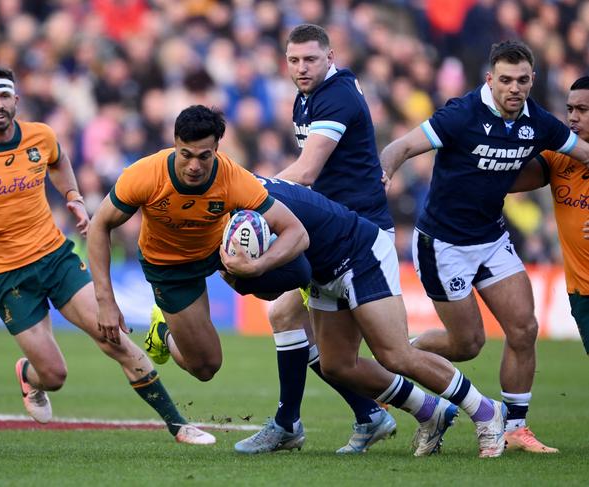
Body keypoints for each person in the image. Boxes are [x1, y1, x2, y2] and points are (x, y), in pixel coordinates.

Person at [0, 65, 214, 445]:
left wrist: (73, 198)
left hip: (56, 258)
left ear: (16, 100)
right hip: (8, 275)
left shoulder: (41, 136)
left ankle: (178, 425)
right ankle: (28, 376)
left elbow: (60, 161)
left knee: (114, 338)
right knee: (54, 376)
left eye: (4, 96)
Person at [380, 41, 589, 454]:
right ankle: (401, 360)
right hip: (443, 244)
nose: (514, 88)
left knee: (524, 328)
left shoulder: (541, 123)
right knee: (467, 344)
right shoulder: (461, 114)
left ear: (533, 81)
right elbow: (399, 147)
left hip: (491, 239)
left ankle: (515, 427)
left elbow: (583, 151)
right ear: (490, 80)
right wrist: (381, 178)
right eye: (506, 80)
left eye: (523, 80)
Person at [226, 175, 507, 458]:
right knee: (337, 365)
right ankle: (430, 411)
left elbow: (293, 274)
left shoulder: (248, 211)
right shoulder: (238, 196)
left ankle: (486, 410)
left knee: (395, 354)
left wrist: (245, 273)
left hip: (358, 254)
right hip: (324, 273)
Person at [228, 22, 399, 455]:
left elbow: (304, 173)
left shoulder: (335, 95)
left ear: (331, 56)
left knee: (394, 353)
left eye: (310, 59)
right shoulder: (308, 98)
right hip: (332, 232)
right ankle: (363, 415)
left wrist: (251, 193)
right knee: (293, 323)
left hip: (357, 236)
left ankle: (454, 407)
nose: (301, 68)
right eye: (293, 60)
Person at [86, 106, 309, 391]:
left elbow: (297, 233)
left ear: (216, 149)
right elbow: (99, 226)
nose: (194, 166)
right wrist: (105, 300)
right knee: (206, 367)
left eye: (204, 156)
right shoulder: (144, 175)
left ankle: (249, 283)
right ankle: (162, 330)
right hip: (169, 266)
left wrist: (256, 266)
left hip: (219, 251)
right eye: (186, 155)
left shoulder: (233, 178)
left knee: (299, 272)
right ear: (175, 143)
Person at [511, 76, 589, 356]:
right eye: (570, 110)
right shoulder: (559, 156)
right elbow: (511, 181)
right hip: (581, 291)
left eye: (583, 110)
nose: (573, 117)